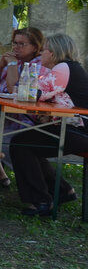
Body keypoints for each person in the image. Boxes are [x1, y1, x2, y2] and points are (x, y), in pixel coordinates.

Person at [8, 34, 86, 216]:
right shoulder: (66, 68)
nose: (41, 53)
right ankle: (62, 191)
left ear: (53, 53)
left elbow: (32, 93)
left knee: (22, 144)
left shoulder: (63, 67)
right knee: (28, 142)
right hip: (73, 128)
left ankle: (41, 201)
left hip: (80, 131)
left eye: (44, 49)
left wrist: (15, 80)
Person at [0, 27, 44, 94]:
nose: (15, 47)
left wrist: (12, 64)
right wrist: (0, 66)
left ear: (35, 48)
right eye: (15, 43)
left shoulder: (40, 64)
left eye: (21, 44)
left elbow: (14, 91)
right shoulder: (17, 60)